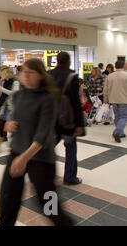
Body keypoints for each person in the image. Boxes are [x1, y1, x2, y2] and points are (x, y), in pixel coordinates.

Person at [0, 58, 74, 226]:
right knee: (7, 201)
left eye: (30, 72)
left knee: (50, 207)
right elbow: (16, 119)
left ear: (40, 75)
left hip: (41, 159)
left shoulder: (48, 100)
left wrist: (24, 158)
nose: (25, 75)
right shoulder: (18, 96)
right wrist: (9, 124)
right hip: (17, 153)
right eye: (24, 71)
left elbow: (43, 134)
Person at [49, 52, 85, 185]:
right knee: (70, 148)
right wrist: (80, 124)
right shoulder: (72, 76)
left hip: (52, 119)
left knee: (48, 146)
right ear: (68, 62)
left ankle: (42, 172)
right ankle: (70, 177)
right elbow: (76, 102)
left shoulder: (49, 75)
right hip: (68, 120)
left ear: (56, 61)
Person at [0, 66, 20, 153]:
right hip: (4, 108)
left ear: (5, 73)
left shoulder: (15, 82)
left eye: (0, 73)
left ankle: (14, 147)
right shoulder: (4, 82)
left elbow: (14, 93)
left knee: (13, 129)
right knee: (0, 127)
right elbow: (1, 97)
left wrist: (0, 88)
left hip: (12, 109)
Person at [103, 60, 127, 143]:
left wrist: (105, 98)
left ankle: (121, 132)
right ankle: (117, 132)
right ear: (123, 66)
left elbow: (105, 88)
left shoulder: (110, 76)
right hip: (124, 99)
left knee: (117, 116)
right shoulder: (126, 75)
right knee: (124, 117)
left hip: (113, 99)